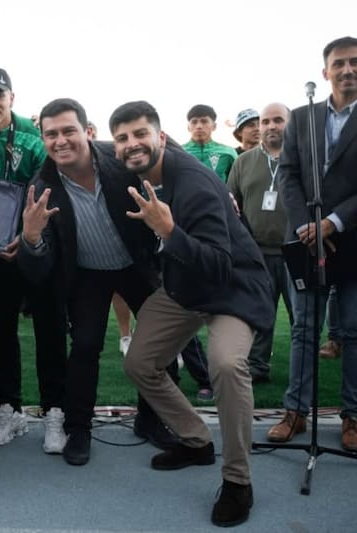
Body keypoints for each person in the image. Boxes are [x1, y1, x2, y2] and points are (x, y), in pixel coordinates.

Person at [110, 100, 273, 527]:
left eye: (141, 134)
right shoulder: (135, 172)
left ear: (162, 137)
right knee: (139, 362)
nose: (132, 144)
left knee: (225, 363)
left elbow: (220, 264)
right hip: (185, 286)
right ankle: (196, 440)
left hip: (230, 288)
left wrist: (168, 231)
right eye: (122, 138)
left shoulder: (195, 180)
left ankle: (238, 481)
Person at [18, 98, 177, 465]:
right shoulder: (41, 185)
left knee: (160, 343)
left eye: (68, 130)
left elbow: (168, 148)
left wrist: (219, 191)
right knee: (86, 347)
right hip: (87, 274)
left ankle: (153, 420)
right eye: (51, 134)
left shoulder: (118, 157)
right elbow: (37, 266)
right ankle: (79, 428)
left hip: (134, 265)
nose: (60, 140)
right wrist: (30, 239)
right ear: (42, 138)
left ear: (88, 132)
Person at [0, 66, 66, 449]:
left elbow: (48, 192)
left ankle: (55, 410)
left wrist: (27, 237)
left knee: (50, 328)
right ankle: (10, 407)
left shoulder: (36, 138)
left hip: (38, 246)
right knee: (1, 330)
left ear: (11, 98)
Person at [268, 36, 357, 452]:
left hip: (352, 240)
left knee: (353, 332)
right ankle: (295, 413)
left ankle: (352, 417)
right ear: (325, 73)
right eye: (339, 64)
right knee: (305, 329)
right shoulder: (301, 117)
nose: (347, 70)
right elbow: (287, 174)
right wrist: (308, 225)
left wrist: (334, 223)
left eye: (354, 63)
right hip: (304, 240)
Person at [227, 103, 294, 383]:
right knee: (259, 313)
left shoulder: (303, 158)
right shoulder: (243, 162)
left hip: (296, 252)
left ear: (290, 124)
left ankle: (303, 370)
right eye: (265, 122)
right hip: (257, 253)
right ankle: (257, 367)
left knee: (301, 319)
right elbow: (232, 203)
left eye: (278, 120)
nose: (269, 126)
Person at [182, 104, 238, 182]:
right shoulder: (178, 153)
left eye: (204, 121)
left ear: (214, 126)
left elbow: (239, 184)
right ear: (188, 127)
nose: (199, 126)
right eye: (194, 122)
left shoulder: (228, 153)